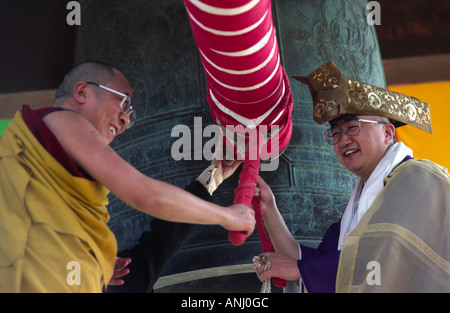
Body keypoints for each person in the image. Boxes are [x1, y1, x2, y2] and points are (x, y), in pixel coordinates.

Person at [0, 61, 255, 293]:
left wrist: (86, 256)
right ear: (82, 92)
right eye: (124, 103)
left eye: (130, 114)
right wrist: (228, 216)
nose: (124, 120)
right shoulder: (62, 121)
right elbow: (146, 196)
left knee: (137, 271)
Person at [253, 62, 450, 292]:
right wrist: (269, 210)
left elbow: (390, 250)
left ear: (388, 133)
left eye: (353, 127)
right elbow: (311, 264)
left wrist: (302, 270)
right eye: (335, 132)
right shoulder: (357, 207)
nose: (342, 140)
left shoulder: (419, 177)